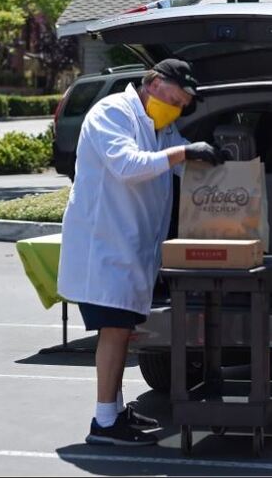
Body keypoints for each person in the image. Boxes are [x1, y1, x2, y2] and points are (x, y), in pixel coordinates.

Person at [57, 58, 226, 446]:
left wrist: (218, 165)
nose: (177, 108)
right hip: (104, 246)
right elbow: (128, 165)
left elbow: (183, 160)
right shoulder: (111, 113)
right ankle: (103, 422)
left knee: (121, 332)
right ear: (152, 83)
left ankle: (114, 411)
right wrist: (185, 155)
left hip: (130, 249)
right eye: (175, 98)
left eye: (183, 104)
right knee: (114, 332)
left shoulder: (159, 127)